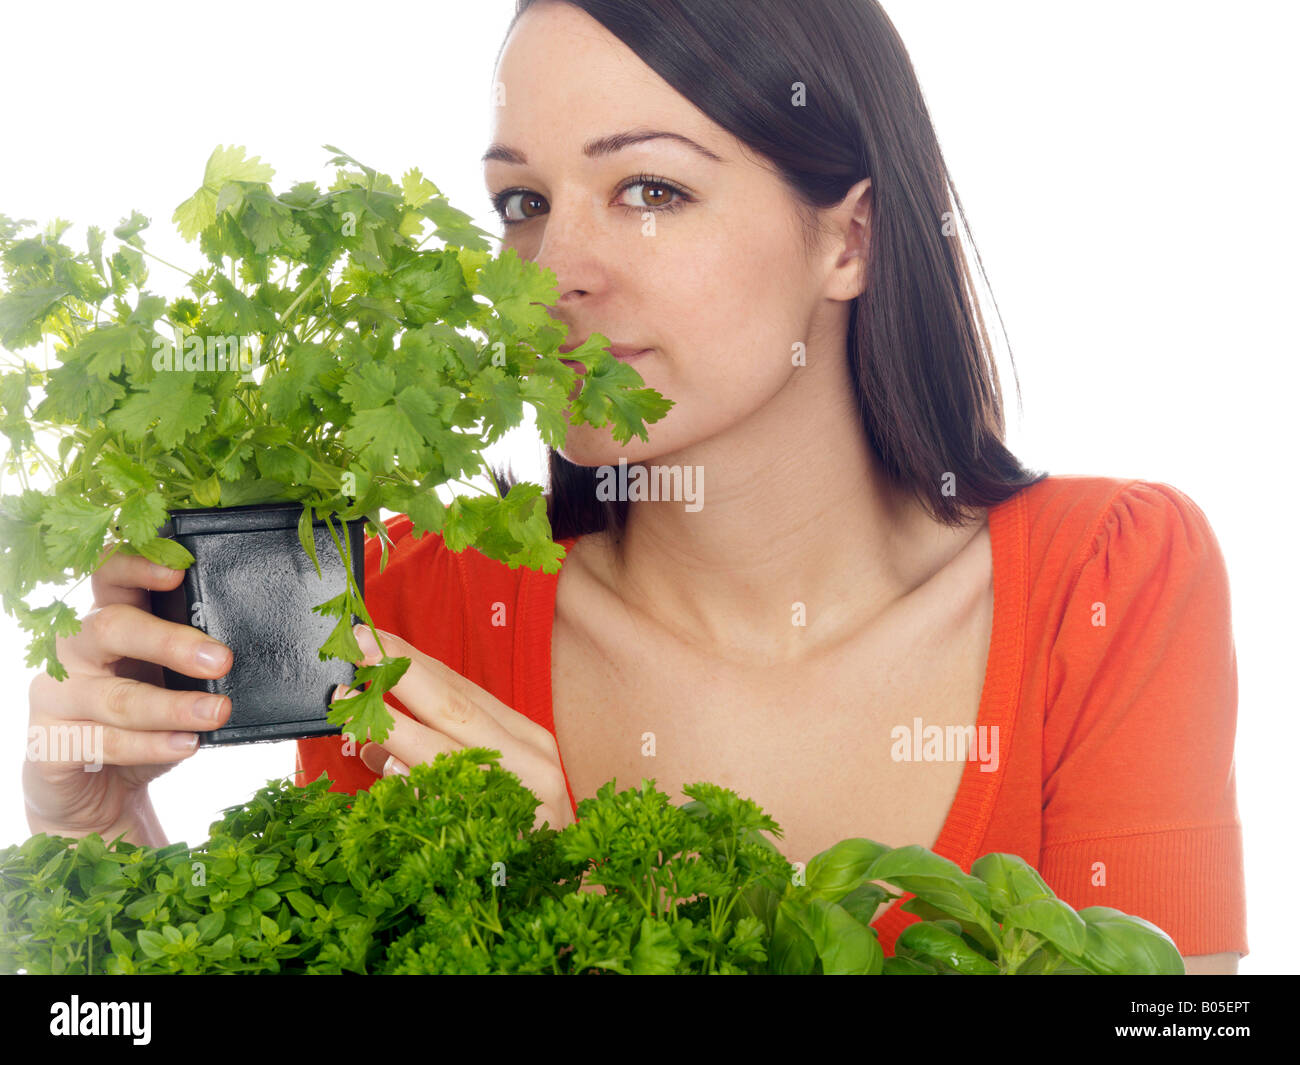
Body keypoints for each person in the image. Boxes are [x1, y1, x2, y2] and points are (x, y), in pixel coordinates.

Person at [24, 0, 1246, 973]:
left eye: (651, 191)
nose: (550, 271)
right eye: (522, 203)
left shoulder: (1109, 578)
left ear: (851, 238)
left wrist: (589, 901)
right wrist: (101, 846)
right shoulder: (408, 609)